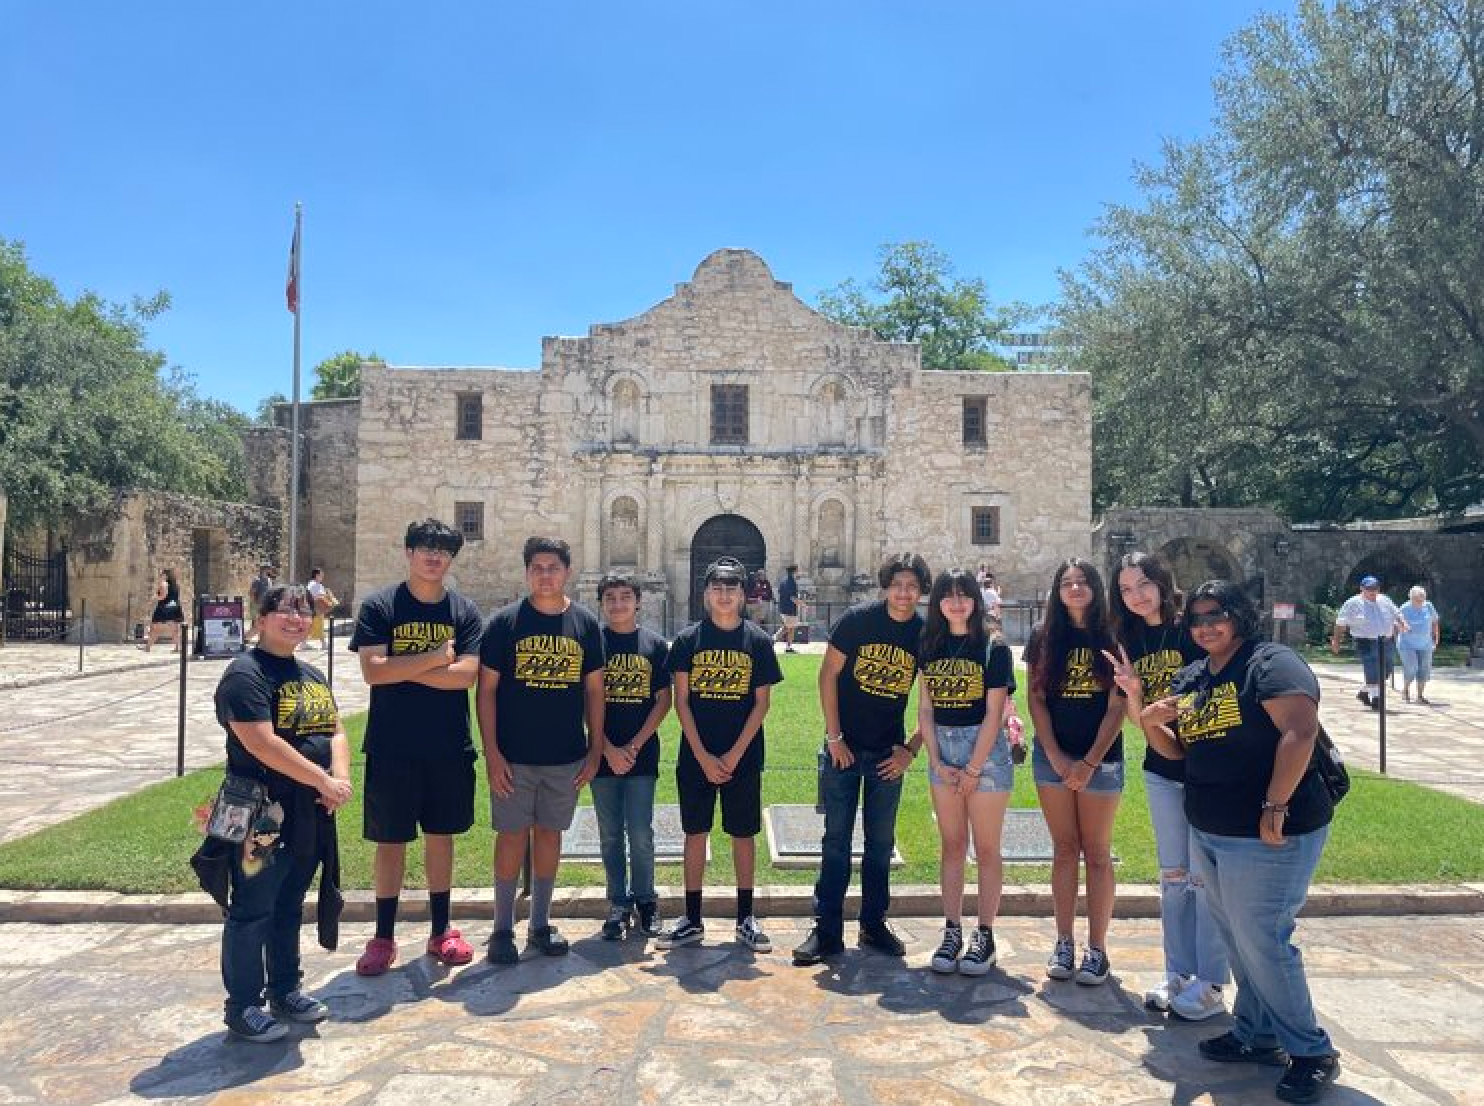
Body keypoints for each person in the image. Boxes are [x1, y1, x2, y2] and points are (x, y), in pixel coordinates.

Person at [1136, 580, 1341, 1105]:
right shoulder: (1197, 676)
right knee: (1236, 938)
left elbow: (1299, 730)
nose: (1206, 626)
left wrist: (1275, 804)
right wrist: (1149, 723)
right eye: (1197, 619)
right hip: (1211, 828)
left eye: (1216, 615)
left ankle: (1312, 1051)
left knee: (1265, 940)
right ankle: (1257, 1033)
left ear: (1239, 616)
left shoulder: (1270, 663)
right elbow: (1178, 753)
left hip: (1269, 831)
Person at [212, 583, 353, 1042]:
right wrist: (322, 780)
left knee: (290, 902)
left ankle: (285, 988)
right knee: (252, 908)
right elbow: (261, 742)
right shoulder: (244, 674)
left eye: (303, 612)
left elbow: (335, 730)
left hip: (308, 811)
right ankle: (243, 1005)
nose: (295, 619)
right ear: (262, 616)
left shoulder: (311, 674)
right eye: (285, 611)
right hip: (260, 814)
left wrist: (339, 781)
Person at [349, 519, 484, 976]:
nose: (433, 556)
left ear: (450, 560)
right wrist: (433, 660)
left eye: (443, 551)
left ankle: (441, 929)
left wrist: (400, 667)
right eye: (425, 548)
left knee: (440, 836)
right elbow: (372, 672)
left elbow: (466, 676)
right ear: (408, 552)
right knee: (390, 840)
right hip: (393, 744)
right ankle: (383, 937)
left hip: (448, 744)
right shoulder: (381, 606)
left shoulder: (463, 610)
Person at [1108, 551, 1229, 1021]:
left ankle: (1211, 981)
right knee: (1174, 877)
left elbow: (1213, 692)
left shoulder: (1190, 631)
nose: (1136, 595)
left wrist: (1164, 708)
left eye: (1143, 584)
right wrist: (1136, 694)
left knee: (1206, 880)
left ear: (1161, 582)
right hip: (1161, 766)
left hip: (1204, 767)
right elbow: (1137, 716)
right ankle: (1178, 972)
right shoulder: (1130, 638)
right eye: (1125, 589)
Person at [793, 552, 931, 966]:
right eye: (898, 584)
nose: (904, 593)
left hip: (888, 751)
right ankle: (827, 930)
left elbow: (932, 699)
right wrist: (834, 737)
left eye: (912, 585)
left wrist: (911, 749)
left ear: (921, 590)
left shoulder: (925, 635)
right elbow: (827, 675)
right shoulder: (858, 622)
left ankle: (874, 923)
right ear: (885, 586)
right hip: (844, 748)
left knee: (880, 844)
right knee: (835, 842)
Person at [478, 536, 606, 963]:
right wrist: (492, 754)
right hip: (514, 755)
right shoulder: (505, 623)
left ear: (567, 571)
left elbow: (594, 691)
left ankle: (539, 922)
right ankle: (501, 927)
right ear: (527, 572)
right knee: (511, 836)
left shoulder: (585, 625)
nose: (546, 575)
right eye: (538, 567)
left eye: (553, 567)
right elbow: (487, 692)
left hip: (565, 754)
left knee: (550, 835)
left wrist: (595, 750)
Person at [660, 556, 783, 951]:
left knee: (743, 834)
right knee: (695, 832)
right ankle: (692, 917)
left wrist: (732, 755)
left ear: (744, 595)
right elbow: (682, 701)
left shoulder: (758, 642)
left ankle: (745, 916)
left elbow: (761, 703)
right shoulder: (687, 641)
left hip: (742, 754)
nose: (725, 595)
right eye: (718, 588)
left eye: (732, 588)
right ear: (705, 595)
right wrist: (702, 754)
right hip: (696, 752)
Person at [1024, 558, 1125, 986]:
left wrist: (1088, 762)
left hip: (1100, 760)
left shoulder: (1114, 637)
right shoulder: (1043, 638)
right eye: (1067, 583)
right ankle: (1064, 940)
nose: (1075, 589)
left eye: (1082, 582)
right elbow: (1036, 700)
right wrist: (1057, 756)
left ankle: (1097, 947)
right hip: (1054, 758)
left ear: (1095, 588)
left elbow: (1118, 704)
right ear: (1057, 591)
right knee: (1065, 849)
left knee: (1098, 852)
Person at [916, 568, 1015, 976]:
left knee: (986, 848)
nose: (957, 603)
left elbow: (994, 712)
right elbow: (925, 706)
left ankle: (985, 933)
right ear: (938, 602)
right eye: (948, 596)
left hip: (984, 750)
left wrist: (974, 767)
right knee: (952, 844)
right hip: (943, 746)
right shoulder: (930, 645)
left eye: (964, 595)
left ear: (975, 600)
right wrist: (937, 761)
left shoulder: (992, 647)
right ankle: (952, 928)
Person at [592, 572, 672, 940]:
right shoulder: (592, 644)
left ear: (637, 601)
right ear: (602, 603)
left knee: (640, 832)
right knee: (610, 834)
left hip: (641, 753)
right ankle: (617, 903)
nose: (618, 604)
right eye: (611, 597)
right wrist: (607, 748)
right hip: (602, 753)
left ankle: (646, 901)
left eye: (626, 596)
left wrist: (634, 746)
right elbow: (584, 701)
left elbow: (663, 701)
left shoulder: (655, 645)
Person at [1330, 575, 1404, 710]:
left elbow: (1396, 613)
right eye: (1369, 589)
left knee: (1386, 670)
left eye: (1375, 589)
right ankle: (1376, 699)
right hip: (1364, 641)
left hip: (1386, 641)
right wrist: (1336, 641)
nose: (1372, 592)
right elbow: (1341, 624)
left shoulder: (1385, 600)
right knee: (1372, 668)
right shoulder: (1352, 603)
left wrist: (1403, 623)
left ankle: (1364, 692)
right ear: (1361, 589)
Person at [1398, 586, 1440, 705]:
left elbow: (1435, 622)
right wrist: (1403, 628)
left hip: (1425, 644)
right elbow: (1396, 624)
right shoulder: (1404, 608)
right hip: (1407, 644)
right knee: (1412, 667)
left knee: (1424, 670)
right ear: (1411, 598)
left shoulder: (1429, 606)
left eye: (1422, 599)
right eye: (1417, 599)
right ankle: (1405, 689)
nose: (1420, 602)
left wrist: (1436, 638)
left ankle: (1420, 696)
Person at [142, 567, 185, 652]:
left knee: (155, 628)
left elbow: (163, 596)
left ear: (165, 575)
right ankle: (177, 647)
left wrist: (154, 598)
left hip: (164, 608)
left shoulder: (164, 584)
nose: (160, 576)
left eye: (161, 574)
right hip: (175, 607)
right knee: (174, 629)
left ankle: (148, 647)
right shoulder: (176, 585)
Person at [305, 567, 338, 649]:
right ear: (316, 575)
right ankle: (323, 643)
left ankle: (305, 643)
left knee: (316, 625)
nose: (322, 576)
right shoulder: (313, 584)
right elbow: (312, 596)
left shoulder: (318, 585)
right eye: (321, 575)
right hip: (315, 608)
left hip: (319, 608)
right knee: (316, 625)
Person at [246, 563, 275, 644]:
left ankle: (260, 640)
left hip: (265, 605)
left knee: (263, 623)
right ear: (264, 569)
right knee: (257, 624)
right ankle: (246, 638)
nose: (270, 570)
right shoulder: (257, 580)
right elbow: (252, 593)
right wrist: (255, 605)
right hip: (257, 605)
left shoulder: (269, 580)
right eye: (269, 568)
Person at [775, 564, 801, 653]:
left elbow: (780, 593)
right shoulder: (792, 582)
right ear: (795, 571)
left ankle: (788, 647)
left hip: (783, 607)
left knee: (788, 628)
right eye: (798, 570)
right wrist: (802, 604)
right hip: (789, 609)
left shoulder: (783, 581)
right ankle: (772, 640)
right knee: (789, 628)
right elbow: (792, 598)